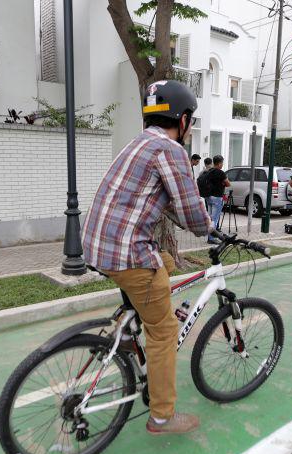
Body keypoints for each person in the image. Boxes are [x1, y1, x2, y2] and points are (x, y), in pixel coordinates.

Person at [82, 80, 212, 435]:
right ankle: (162, 416)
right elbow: (189, 210)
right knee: (164, 331)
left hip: (98, 246)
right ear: (183, 119)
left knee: (164, 266)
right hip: (127, 253)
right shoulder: (170, 150)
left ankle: (127, 331)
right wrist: (208, 228)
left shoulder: (139, 142)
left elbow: (162, 200)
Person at [205, 155, 230, 242]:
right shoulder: (220, 173)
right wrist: (222, 183)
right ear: (219, 163)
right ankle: (211, 238)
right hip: (217, 198)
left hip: (208, 197)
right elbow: (228, 184)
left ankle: (209, 237)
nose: (222, 164)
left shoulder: (209, 171)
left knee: (210, 219)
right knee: (214, 220)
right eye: (222, 163)